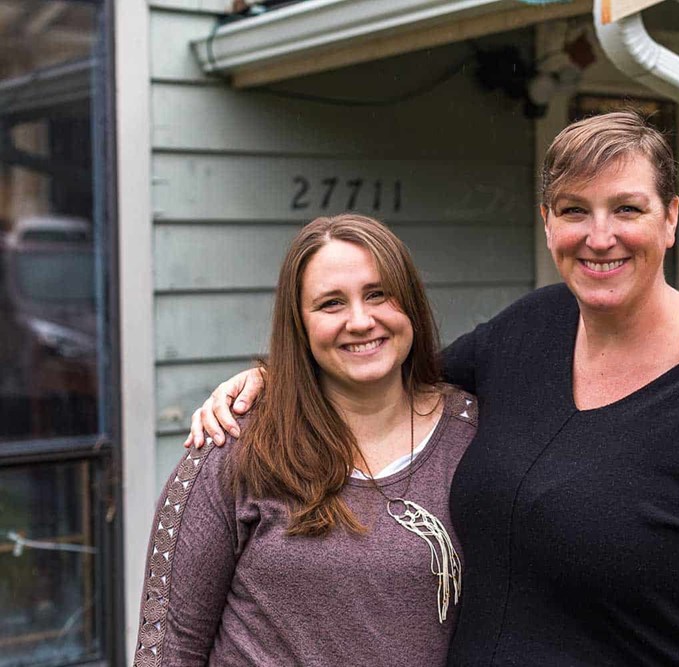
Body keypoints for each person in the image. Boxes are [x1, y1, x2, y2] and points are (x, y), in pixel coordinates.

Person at [186, 111, 679, 665]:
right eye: (574, 210)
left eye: (628, 208)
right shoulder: (530, 330)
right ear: (547, 222)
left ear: (670, 217)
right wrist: (274, 377)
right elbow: (385, 368)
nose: (600, 237)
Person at [134, 214, 475, 666]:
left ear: (410, 303)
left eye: (378, 294)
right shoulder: (235, 443)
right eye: (331, 304)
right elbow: (168, 646)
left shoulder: (473, 437)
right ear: (300, 324)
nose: (360, 320)